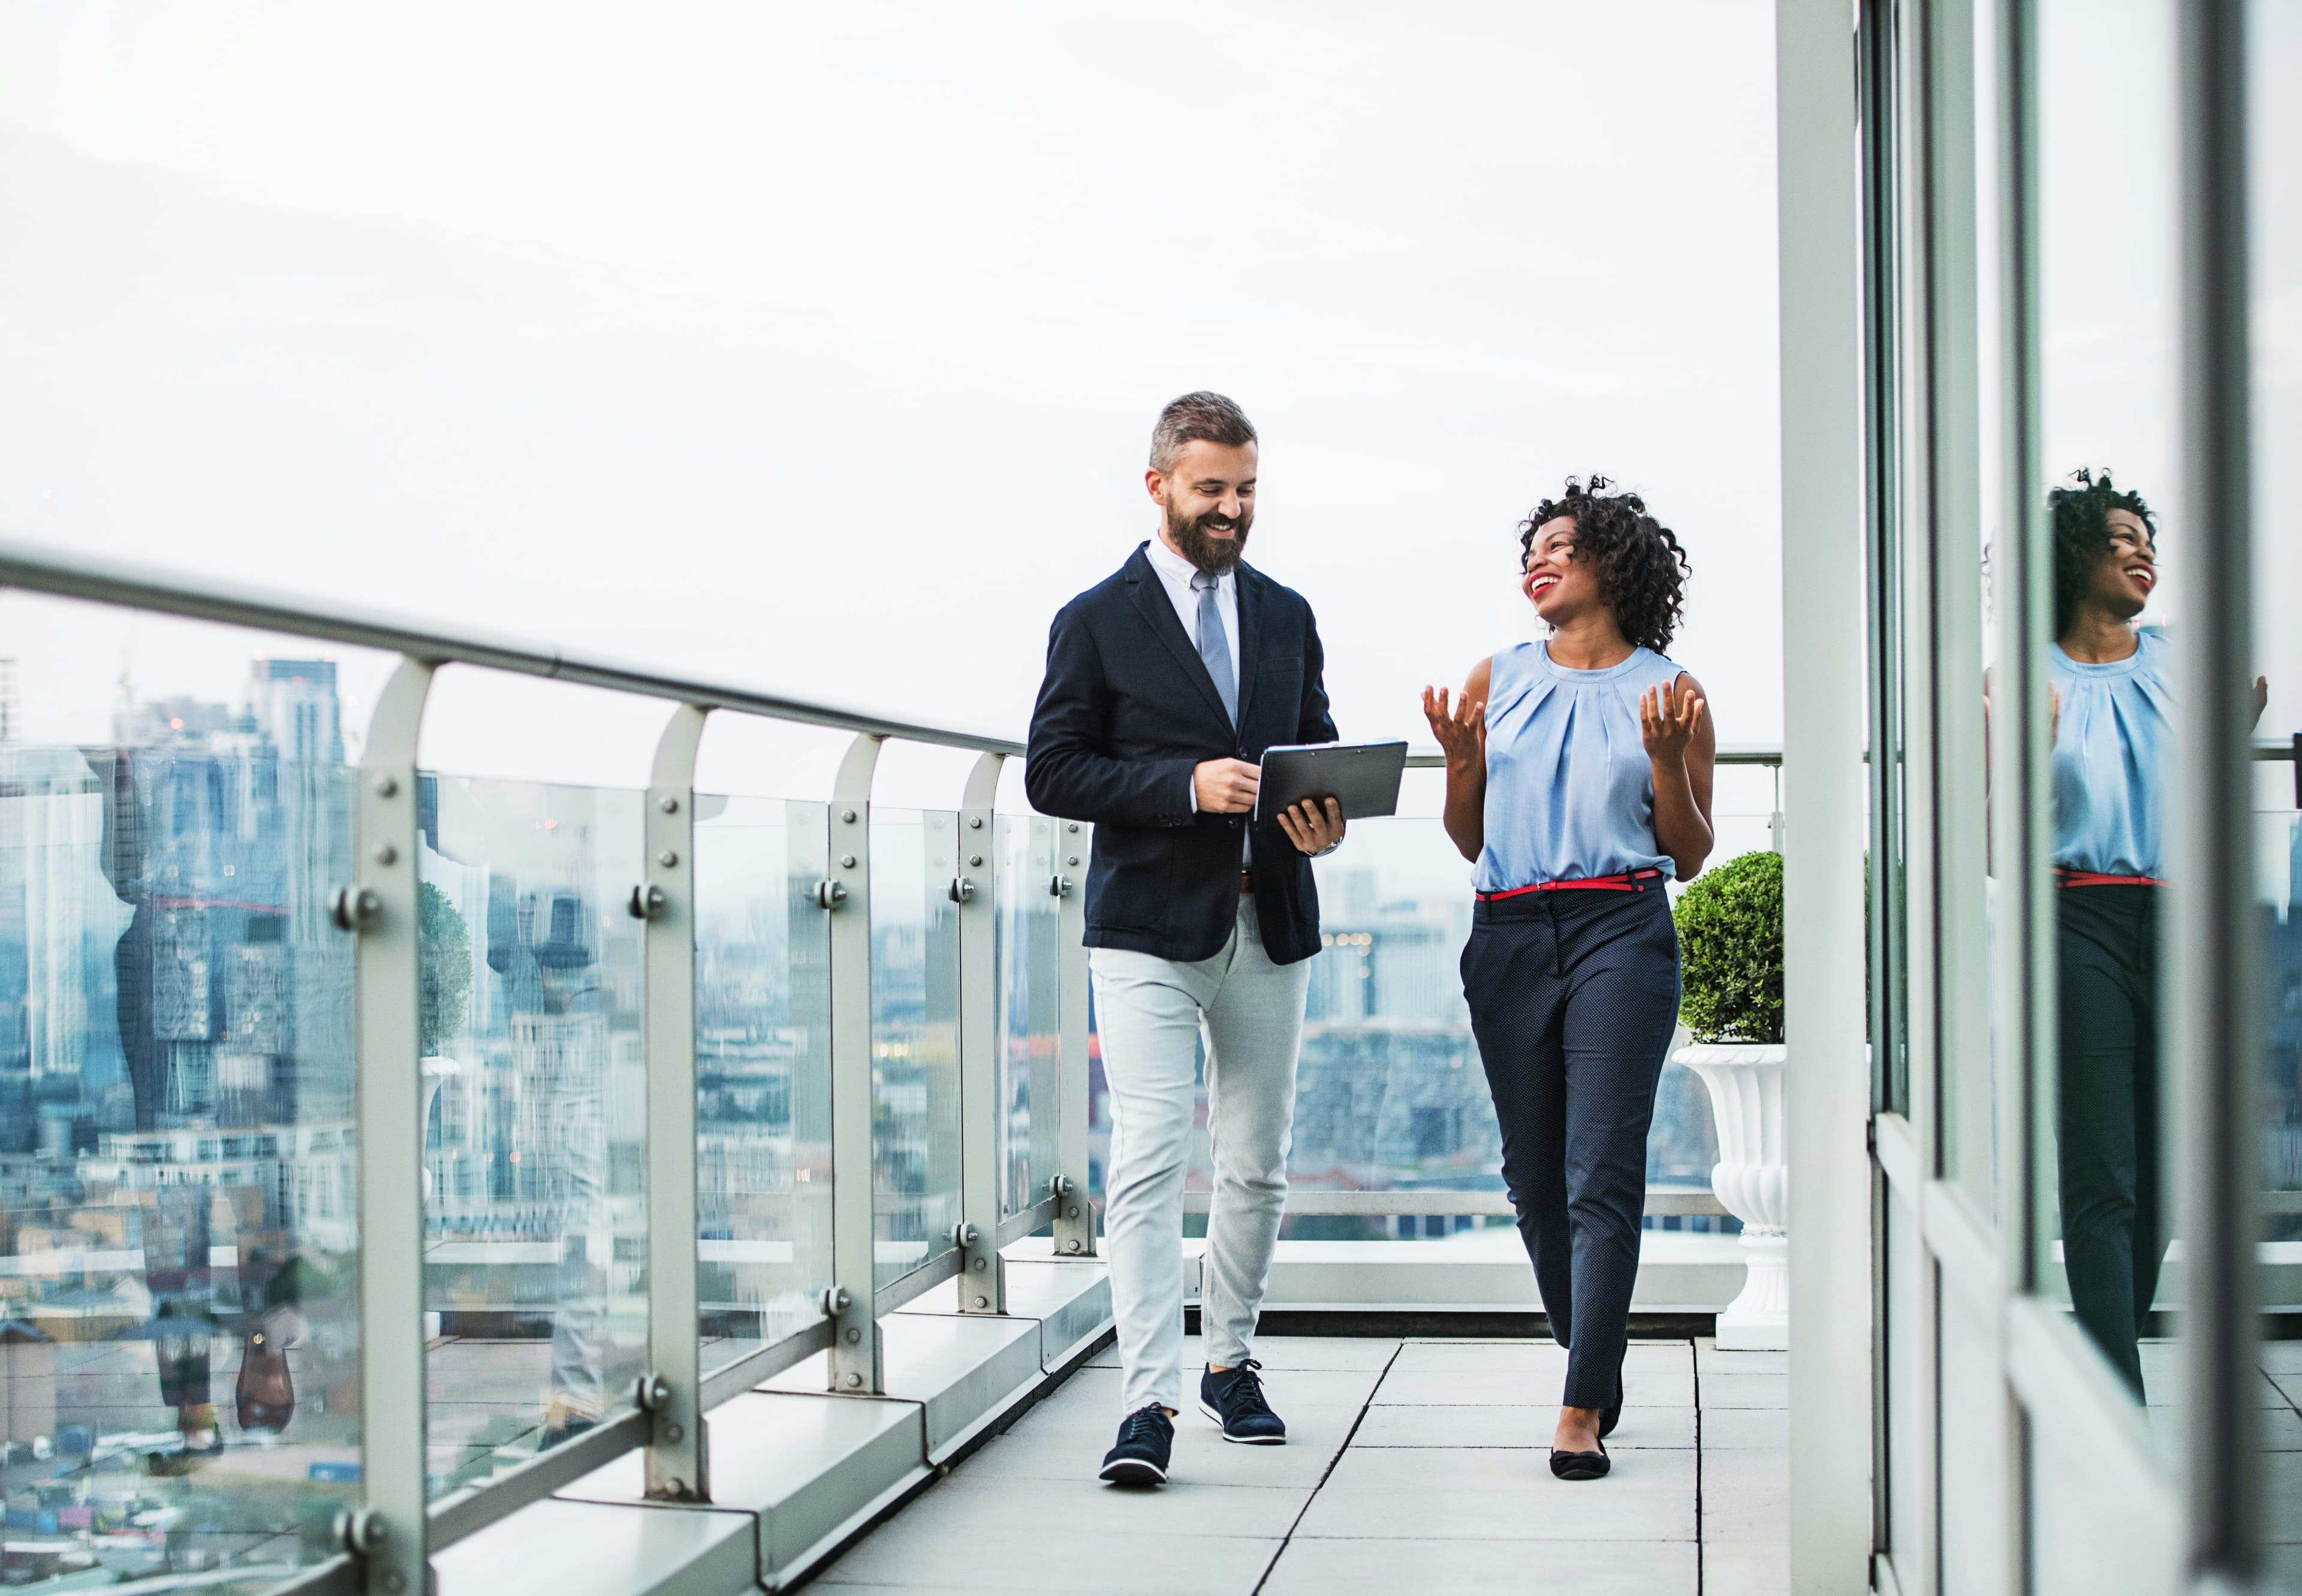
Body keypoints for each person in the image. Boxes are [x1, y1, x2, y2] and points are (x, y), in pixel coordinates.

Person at [1026, 391, 1346, 1486]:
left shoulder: (1288, 611)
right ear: (1158, 484)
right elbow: (1053, 771)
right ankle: (1147, 1402)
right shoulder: (1096, 618)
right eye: (1212, 488)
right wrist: (1182, 785)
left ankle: (1230, 1363)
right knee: (1153, 1155)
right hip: (1149, 929)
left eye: (1247, 489)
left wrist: (1324, 808)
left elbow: (1320, 746)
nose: (1233, 508)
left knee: (1256, 1163)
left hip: (1272, 914)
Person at [1421, 476, 1713, 1482]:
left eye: (1561, 546)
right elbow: (1472, 841)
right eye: (1531, 550)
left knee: (1600, 1175)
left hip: (1619, 930)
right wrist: (1462, 764)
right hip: (1505, 931)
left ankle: (1582, 1402)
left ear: (1615, 564)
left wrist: (1667, 764)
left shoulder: (1670, 690)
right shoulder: (1494, 678)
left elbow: (1692, 854)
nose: (1536, 561)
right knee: (1534, 1182)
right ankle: (1598, 1354)